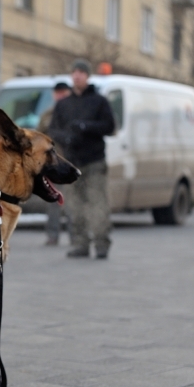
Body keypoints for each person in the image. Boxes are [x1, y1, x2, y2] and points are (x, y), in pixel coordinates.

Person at [49, 59, 115, 259]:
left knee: (97, 203)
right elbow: (53, 129)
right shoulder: (63, 104)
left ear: (87, 76)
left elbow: (109, 126)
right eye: (74, 72)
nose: (77, 75)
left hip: (94, 160)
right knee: (75, 205)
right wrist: (65, 137)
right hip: (71, 162)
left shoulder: (99, 101)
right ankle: (80, 243)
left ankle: (102, 244)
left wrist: (86, 127)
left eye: (81, 72)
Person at [40, 81, 72, 246]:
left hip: (71, 162)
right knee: (54, 199)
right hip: (52, 164)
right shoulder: (47, 115)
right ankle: (53, 235)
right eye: (57, 92)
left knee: (72, 201)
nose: (60, 95)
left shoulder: (75, 112)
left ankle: (77, 237)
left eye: (63, 92)